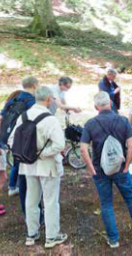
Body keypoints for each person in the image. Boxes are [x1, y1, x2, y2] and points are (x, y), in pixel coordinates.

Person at [80, 92, 132, 248]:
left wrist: (92, 170)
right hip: (120, 169)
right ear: (110, 103)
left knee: (106, 204)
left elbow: (83, 149)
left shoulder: (90, 124)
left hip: (100, 171)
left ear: (96, 107)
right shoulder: (123, 121)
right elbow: (131, 146)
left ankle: (113, 239)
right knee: (130, 199)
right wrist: (126, 167)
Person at [9, 86, 67, 248]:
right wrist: (42, 153)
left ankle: (31, 234)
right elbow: (59, 145)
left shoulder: (23, 116)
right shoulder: (50, 119)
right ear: (48, 99)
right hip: (47, 166)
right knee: (50, 201)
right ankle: (51, 236)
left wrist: (27, 152)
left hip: (27, 165)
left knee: (31, 199)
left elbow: (12, 140)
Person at [0, 77, 38, 197]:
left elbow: (1, 117)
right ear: (35, 85)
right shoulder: (32, 101)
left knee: (17, 160)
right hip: (24, 136)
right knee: (21, 162)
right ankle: (18, 188)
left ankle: (13, 186)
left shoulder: (14, 98)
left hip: (9, 136)